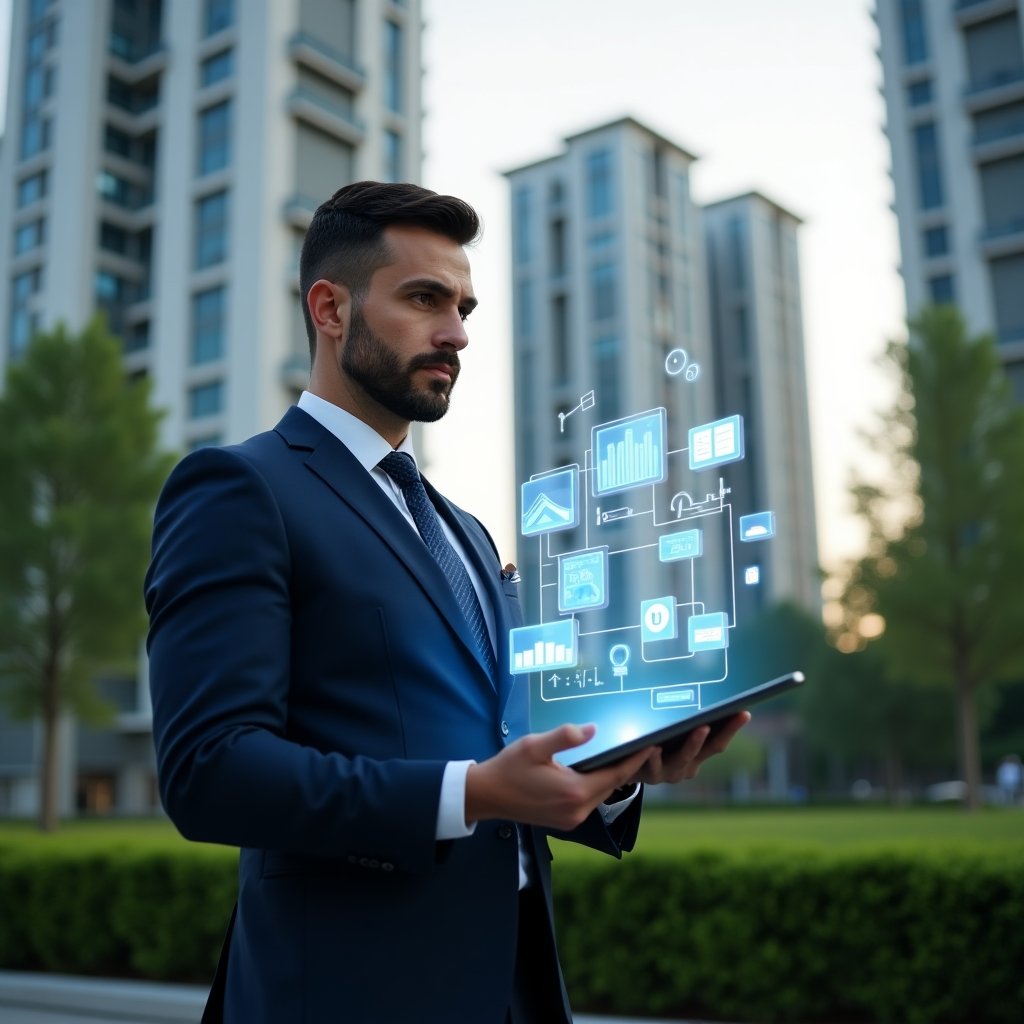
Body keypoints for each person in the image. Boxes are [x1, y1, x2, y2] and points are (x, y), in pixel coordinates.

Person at [145, 181, 749, 1024]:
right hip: (346, 998)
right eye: (425, 299)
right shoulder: (240, 489)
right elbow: (209, 770)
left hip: (515, 989)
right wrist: (472, 792)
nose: (458, 333)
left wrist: (614, 774)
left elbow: (501, 743)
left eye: (463, 307)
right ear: (330, 308)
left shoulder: (464, 531)